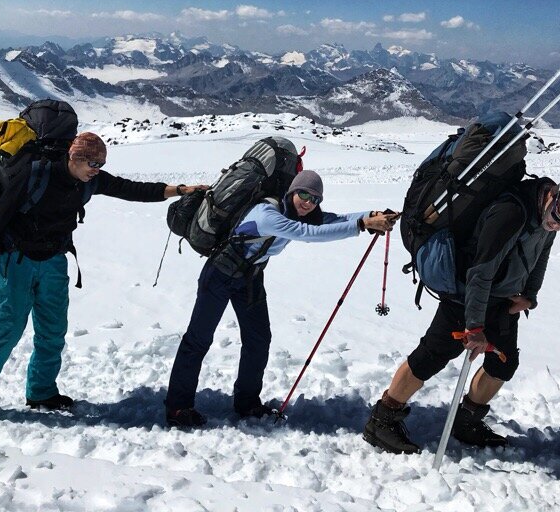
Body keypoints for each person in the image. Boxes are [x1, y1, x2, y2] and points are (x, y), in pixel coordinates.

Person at [0, 132, 206, 420]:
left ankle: (41, 391)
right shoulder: (37, 174)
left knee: (52, 332)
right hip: (18, 259)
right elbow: (3, 212)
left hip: (55, 260)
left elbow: (132, 189)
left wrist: (179, 190)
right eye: (92, 162)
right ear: (74, 157)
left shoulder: (90, 181)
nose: (97, 169)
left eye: (101, 163)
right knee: (7, 330)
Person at [363, 174, 560, 454]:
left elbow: (542, 251)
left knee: (503, 363)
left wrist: (529, 295)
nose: (557, 226)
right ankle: (382, 420)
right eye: (558, 217)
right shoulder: (512, 213)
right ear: (553, 195)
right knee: (432, 356)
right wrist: (474, 327)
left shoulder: (548, 214)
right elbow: (480, 271)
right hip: (466, 295)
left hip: (503, 298)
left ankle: (466, 421)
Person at [164, 169, 398, 428]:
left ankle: (247, 402)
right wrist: (361, 225)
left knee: (258, 339)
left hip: (250, 277)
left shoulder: (297, 213)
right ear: (292, 191)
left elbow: (331, 220)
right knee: (198, 339)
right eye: (304, 194)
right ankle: (178, 407)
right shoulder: (268, 214)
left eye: (315, 199)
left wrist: (369, 216)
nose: (308, 203)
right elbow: (307, 233)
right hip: (220, 274)